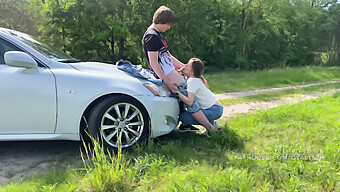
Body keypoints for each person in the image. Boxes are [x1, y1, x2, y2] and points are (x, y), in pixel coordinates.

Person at [142, 6, 216, 133]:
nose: (169, 27)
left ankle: (186, 125)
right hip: (168, 77)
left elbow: (167, 56)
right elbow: (154, 63)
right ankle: (211, 128)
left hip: (173, 75)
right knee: (192, 105)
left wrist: (185, 67)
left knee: (189, 101)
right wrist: (167, 82)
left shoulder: (157, 35)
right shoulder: (151, 37)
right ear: (162, 21)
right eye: (168, 24)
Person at [176, 58, 224, 135]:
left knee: (183, 117)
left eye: (188, 65)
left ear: (193, 70)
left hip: (214, 110)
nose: (185, 65)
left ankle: (212, 127)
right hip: (216, 108)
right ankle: (213, 126)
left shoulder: (192, 81)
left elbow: (190, 102)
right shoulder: (194, 79)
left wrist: (177, 92)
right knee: (191, 113)